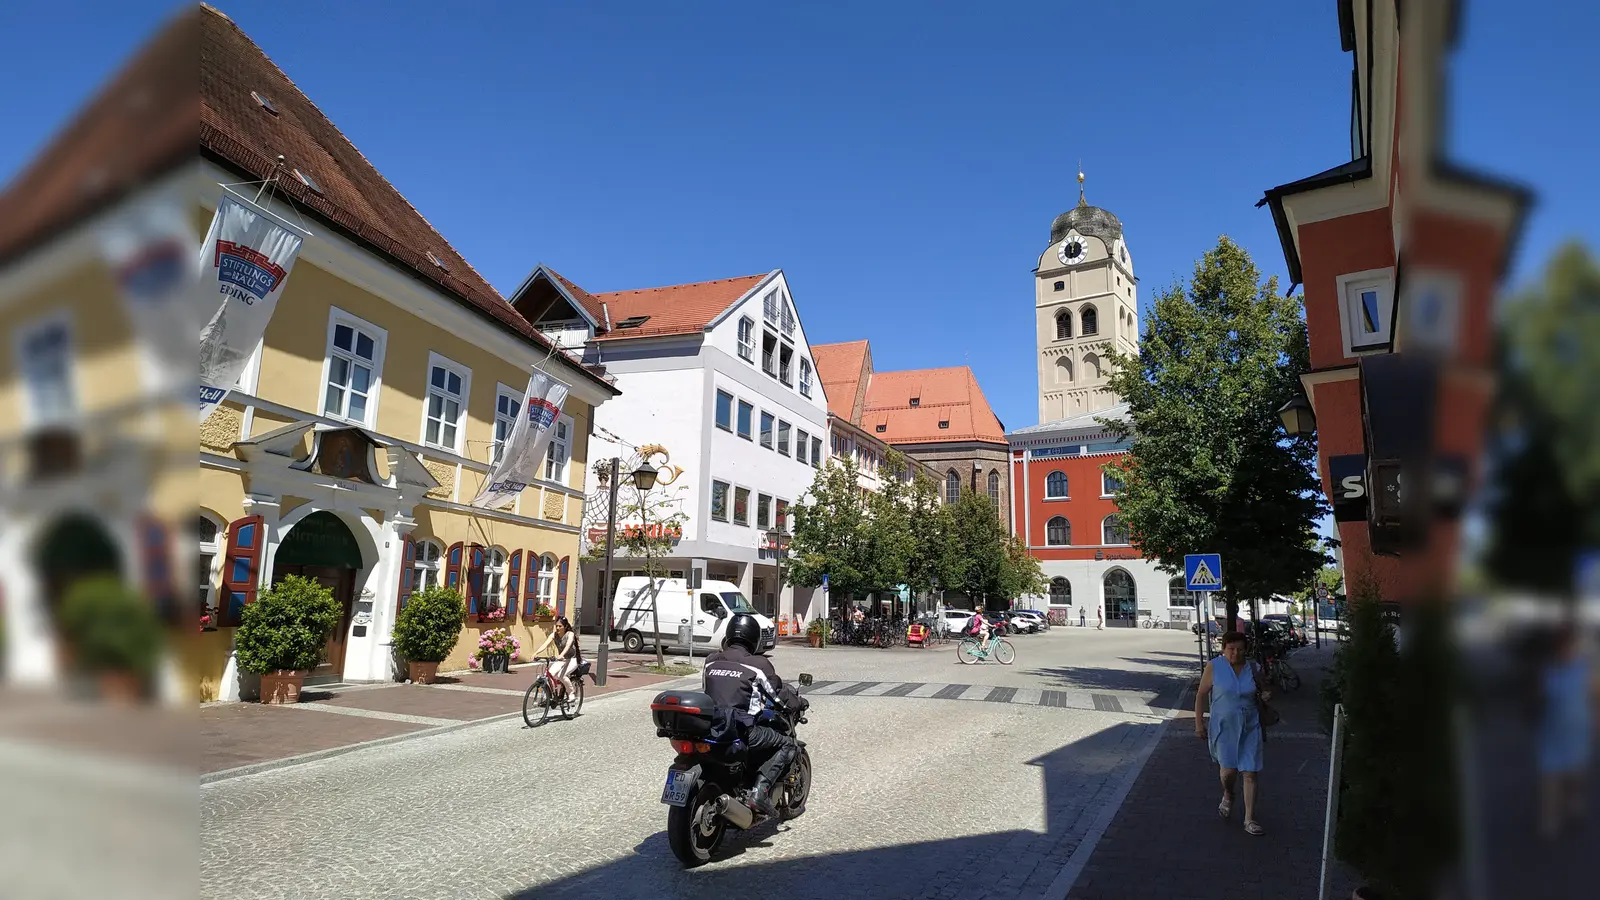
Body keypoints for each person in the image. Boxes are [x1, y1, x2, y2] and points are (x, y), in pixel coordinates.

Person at [703, 613, 800, 817]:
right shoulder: (759, 664)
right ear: (754, 638)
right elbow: (778, 697)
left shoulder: (711, 661)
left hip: (711, 727)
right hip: (740, 730)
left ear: (729, 634)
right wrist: (797, 702)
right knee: (787, 744)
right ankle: (760, 793)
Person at [1195, 630, 1268, 835]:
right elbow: (1201, 695)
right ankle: (1228, 794)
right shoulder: (1214, 667)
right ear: (1223, 648)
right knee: (1228, 772)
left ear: (1246, 650)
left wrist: (1267, 695)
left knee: (1250, 772)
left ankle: (1249, 819)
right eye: (1231, 649)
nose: (1235, 653)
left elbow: (1264, 689)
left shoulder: (1253, 668)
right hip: (1224, 727)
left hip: (1250, 726)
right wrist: (1199, 724)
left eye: (1240, 650)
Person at [1537, 622, 1596, 838]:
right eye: (1562, 646)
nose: (1566, 650)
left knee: (1575, 774)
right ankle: (1549, 819)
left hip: (1578, 732)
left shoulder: (1584, 668)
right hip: (1551, 733)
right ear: (1556, 648)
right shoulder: (1547, 671)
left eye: (1569, 646)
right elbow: (1538, 700)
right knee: (1550, 776)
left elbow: (1596, 697)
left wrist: (1597, 725)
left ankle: (1574, 801)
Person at [531, 616, 580, 700]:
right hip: (562, 660)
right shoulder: (554, 635)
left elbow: (568, 645)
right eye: (556, 626)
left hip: (572, 659)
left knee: (562, 675)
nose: (557, 628)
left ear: (565, 626)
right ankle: (550, 695)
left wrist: (561, 655)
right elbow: (545, 644)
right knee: (549, 674)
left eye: (560, 626)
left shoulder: (570, 634)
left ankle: (571, 693)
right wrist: (536, 653)